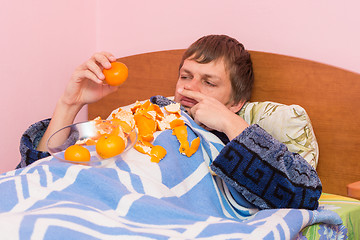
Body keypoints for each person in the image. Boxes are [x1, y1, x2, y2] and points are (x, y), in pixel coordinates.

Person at [17, 35, 322, 210]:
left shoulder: (231, 142)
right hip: (73, 198)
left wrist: (230, 123)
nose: (188, 88)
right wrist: (70, 103)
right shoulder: (142, 113)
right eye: (185, 76)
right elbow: (37, 171)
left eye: (209, 82)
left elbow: (304, 192)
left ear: (236, 102)